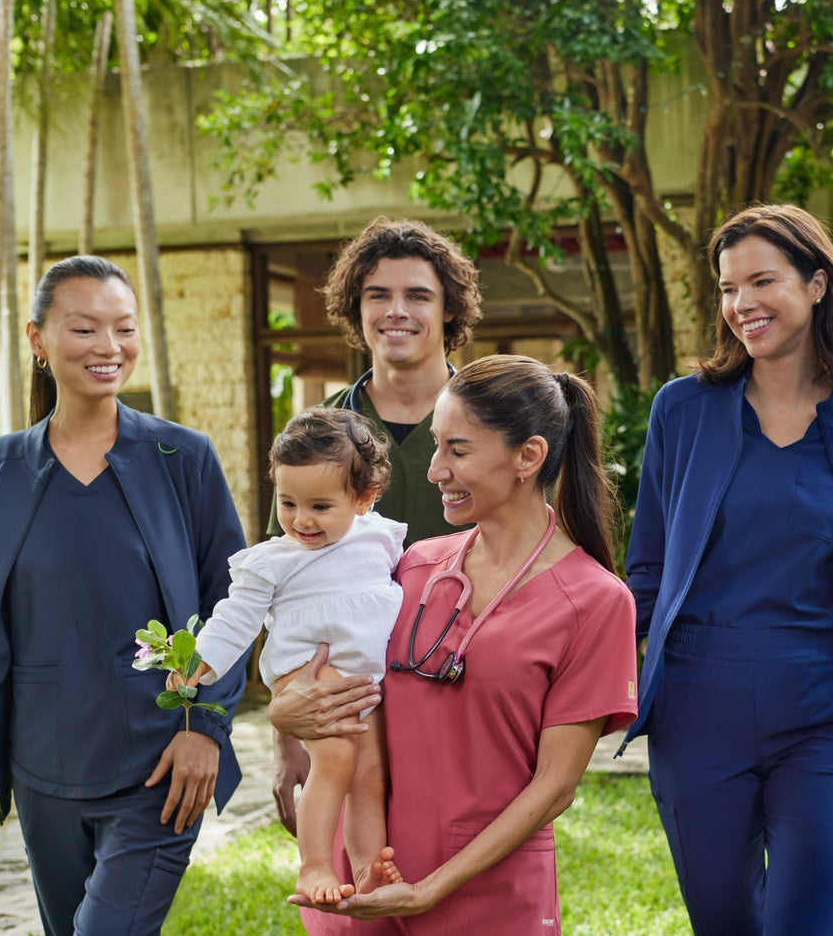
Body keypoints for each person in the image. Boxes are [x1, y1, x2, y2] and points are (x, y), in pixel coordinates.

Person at [0, 255, 249, 935]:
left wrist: (206, 727)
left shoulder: (183, 458)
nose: (109, 347)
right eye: (85, 328)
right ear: (38, 340)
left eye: (123, 329)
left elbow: (233, 603)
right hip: (44, 770)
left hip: (163, 766)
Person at [622, 204, 833, 936]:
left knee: (805, 922)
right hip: (697, 706)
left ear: (817, 284)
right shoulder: (683, 411)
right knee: (722, 921)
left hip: (827, 711)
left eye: (761, 281)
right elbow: (649, 568)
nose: (740, 305)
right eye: (727, 288)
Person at [272, 354, 638, 934]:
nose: (435, 468)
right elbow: (339, 678)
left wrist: (430, 891)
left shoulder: (596, 602)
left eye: (457, 450)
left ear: (528, 457)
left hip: (484, 894)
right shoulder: (413, 565)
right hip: (362, 882)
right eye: (437, 446)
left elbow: (555, 786)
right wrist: (287, 712)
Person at [272, 216, 483, 833]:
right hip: (348, 702)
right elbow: (287, 583)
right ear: (354, 308)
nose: (398, 311)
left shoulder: (492, 422)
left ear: (449, 311)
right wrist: (288, 730)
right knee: (353, 885)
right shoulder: (316, 434)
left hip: (467, 689)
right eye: (378, 295)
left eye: (418, 295)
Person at [174, 407, 407, 903]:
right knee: (337, 759)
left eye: (321, 506)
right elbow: (236, 617)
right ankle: (314, 866)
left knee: (371, 773)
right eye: (288, 503)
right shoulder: (272, 562)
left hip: (362, 681)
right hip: (308, 672)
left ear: (363, 499)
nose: (301, 520)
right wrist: (201, 663)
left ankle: (367, 869)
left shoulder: (379, 537)